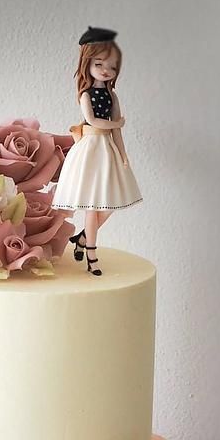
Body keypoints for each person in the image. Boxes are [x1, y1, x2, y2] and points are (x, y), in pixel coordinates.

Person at [52, 26, 142, 276]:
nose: (106, 70)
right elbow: (93, 121)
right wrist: (116, 123)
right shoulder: (85, 95)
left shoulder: (112, 96)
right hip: (89, 150)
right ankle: (91, 256)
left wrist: (124, 156)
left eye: (112, 67)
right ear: (87, 63)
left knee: (110, 203)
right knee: (92, 206)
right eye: (100, 63)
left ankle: (82, 238)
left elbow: (117, 133)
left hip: (107, 151)